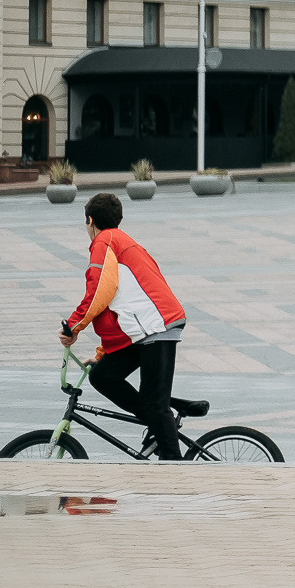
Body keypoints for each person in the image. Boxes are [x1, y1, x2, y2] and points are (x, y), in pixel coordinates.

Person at [60, 192, 200, 459]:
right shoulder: (122, 242)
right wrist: (103, 355)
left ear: (90, 220)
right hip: (146, 330)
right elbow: (122, 305)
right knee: (102, 375)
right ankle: (160, 425)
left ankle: (176, 471)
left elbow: (100, 291)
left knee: (155, 405)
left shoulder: (104, 241)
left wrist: (73, 327)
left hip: (157, 329)